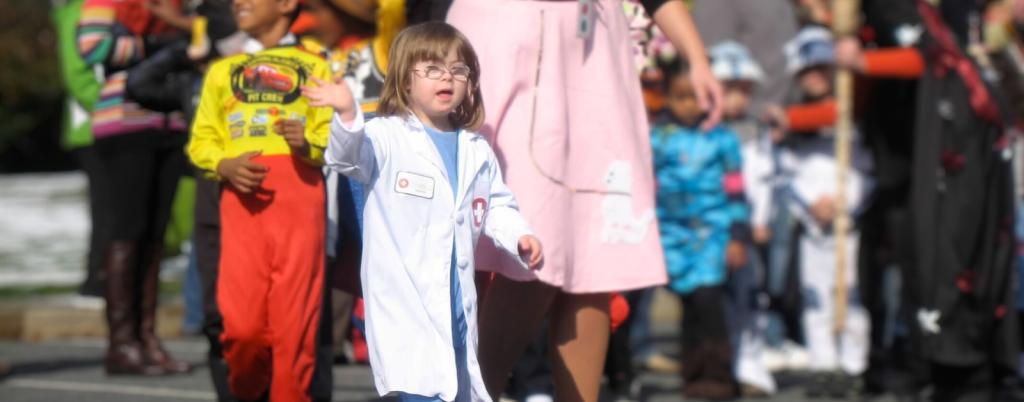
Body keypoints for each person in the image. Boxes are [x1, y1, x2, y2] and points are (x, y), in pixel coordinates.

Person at [445, 0, 722, 399]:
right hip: (512, 37)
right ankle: (473, 392)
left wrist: (697, 57)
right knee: (532, 242)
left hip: (594, 49)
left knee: (595, 253)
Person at [307, 21, 544, 401]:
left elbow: (495, 204)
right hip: (407, 309)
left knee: (458, 387)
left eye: (458, 69)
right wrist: (347, 113)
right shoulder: (384, 135)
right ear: (404, 80)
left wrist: (519, 235)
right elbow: (345, 158)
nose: (446, 76)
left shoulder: (476, 149)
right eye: (432, 69)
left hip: (458, 308)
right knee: (421, 390)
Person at [188, 0, 333, 399]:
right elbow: (202, 140)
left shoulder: (317, 65)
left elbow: (335, 134)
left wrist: (309, 144)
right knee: (242, 328)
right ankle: (248, 393)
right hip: (241, 206)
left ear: (287, 4)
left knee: (295, 328)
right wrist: (223, 164)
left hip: (300, 204)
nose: (239, 3)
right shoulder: (221, 71)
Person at [76, 0, 192, 376]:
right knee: (127, 231)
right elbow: (93, 45)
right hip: (123, 120)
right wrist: (157, 45)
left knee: (155, 237)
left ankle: (146, 337)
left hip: (169, 121)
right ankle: (121, 343)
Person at [765, 25, 875, 398]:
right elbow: (784, 173)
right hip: (814, 223)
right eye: (806, 70)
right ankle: (823, 364)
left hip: (849, 223)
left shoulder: (852, 117)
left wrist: (848, 204)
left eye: (822, 68)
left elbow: (867, 170)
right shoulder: (792, 120)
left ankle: (853, 365)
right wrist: (812, 206)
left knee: (851, 293)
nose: (815, 76)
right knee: (815, 295)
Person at [650, 56, 749, 400]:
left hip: (714, 234)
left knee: (709, 302)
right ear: (666, 97)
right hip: (673, 236)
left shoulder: (722, 140)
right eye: (680, 97)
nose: (689, 105)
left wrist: (738, 237)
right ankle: (692, 374)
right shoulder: (658, 140)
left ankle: (719, 376)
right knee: (689, 305)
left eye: (695, 96)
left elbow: (736, 192)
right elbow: (648, 190)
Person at [707, 40, 778, 398]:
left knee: (749, 295)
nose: (736, 99)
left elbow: (764, 179)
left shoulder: (758, 131)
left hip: (746, 229)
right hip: (710, 229)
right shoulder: (706, 132)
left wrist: (761, 219)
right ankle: (720, 364)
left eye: (744, 91)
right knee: (712, 299)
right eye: (728, 90)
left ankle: (750, 359)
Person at [53, 0, 108, 300]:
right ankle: (96, 282)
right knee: (106, 209)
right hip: (92, 127)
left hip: (104, 123)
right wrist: (112, 106)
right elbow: (76, 75)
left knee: (112, 209)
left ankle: (105, 279)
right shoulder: (78, 12)